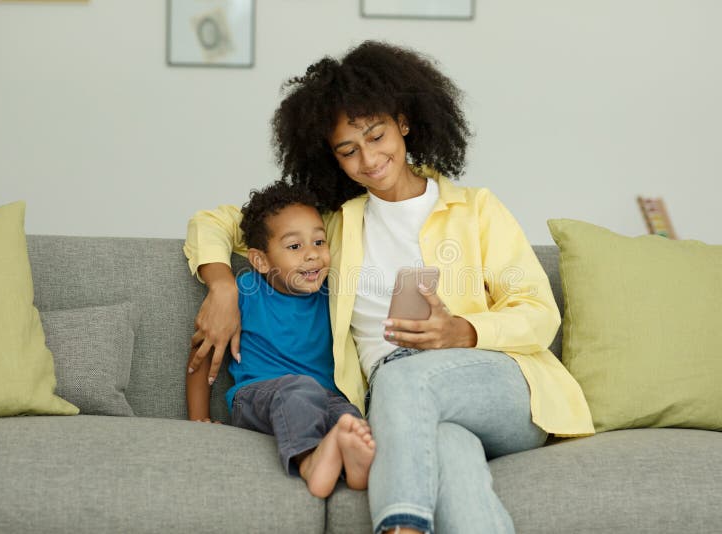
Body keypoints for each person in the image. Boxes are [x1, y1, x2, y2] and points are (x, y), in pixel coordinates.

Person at [184, 41, 595, 534]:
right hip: (399, 399)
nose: (369, 159)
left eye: (377, 136)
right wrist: (223, 285)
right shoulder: (335, 222)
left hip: (497, 385)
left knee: (405, 378)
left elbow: (538, 311)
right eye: (348, 150)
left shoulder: (477, 209)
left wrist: (462, 330)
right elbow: (216, 222)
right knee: (449, 450)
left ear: (403, 122)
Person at [185, 181, 375, 499]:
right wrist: (198, 419)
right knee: (298, 389)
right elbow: (201, 353)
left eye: (318, 241)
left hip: (325, 396)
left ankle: (354, 468)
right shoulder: (246, 291)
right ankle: (308, 461)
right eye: (294, 247)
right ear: (260, 261)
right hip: (259, 395)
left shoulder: (332, 296)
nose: (313, 255)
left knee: (349, 418)